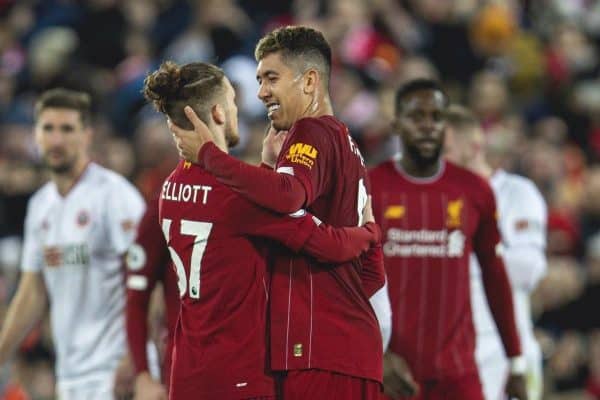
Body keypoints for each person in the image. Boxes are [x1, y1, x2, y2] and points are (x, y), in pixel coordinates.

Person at [144, 60, 384, 399]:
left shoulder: (170, 188)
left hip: (188, 373)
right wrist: (370, 232)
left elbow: (226, 222)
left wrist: (267, 168)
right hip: (239, 374)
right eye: (232, 101)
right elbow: (328, 245)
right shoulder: (238, 197)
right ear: (217, 112)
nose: (239, 108)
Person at [369, 79, 528, 400]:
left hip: (457, 373)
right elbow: (344, 281)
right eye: (417, 117)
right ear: (396, 125)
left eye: (436, 117)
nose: (428, 126)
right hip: (390, 372)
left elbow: (495, 276)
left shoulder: (474, 190)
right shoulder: (370, 187)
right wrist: (374, 356)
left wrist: (516, 360)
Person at [0, 88, 145, 399]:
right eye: (48, 129)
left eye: (67, 129)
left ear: (87, 135)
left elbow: (147, 278)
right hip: (70, 373)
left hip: (117, 369)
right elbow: (32, 291)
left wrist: (136, 358)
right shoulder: (40, 205)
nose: (56, 139)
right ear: (36, 135)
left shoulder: (114, 196)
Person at [444, 105, 547, 400]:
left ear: (474, 147)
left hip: (504, 351)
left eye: (446, 148)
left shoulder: (516, 193)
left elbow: (528, 269)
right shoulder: (437, 200)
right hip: (451, 353)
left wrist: (459, 257)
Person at [125, 194, 179, 400]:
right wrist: (142, 374)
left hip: (243, 368)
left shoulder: (246, 196)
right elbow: (136, 298)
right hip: (181, 371)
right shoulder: (163, 206)